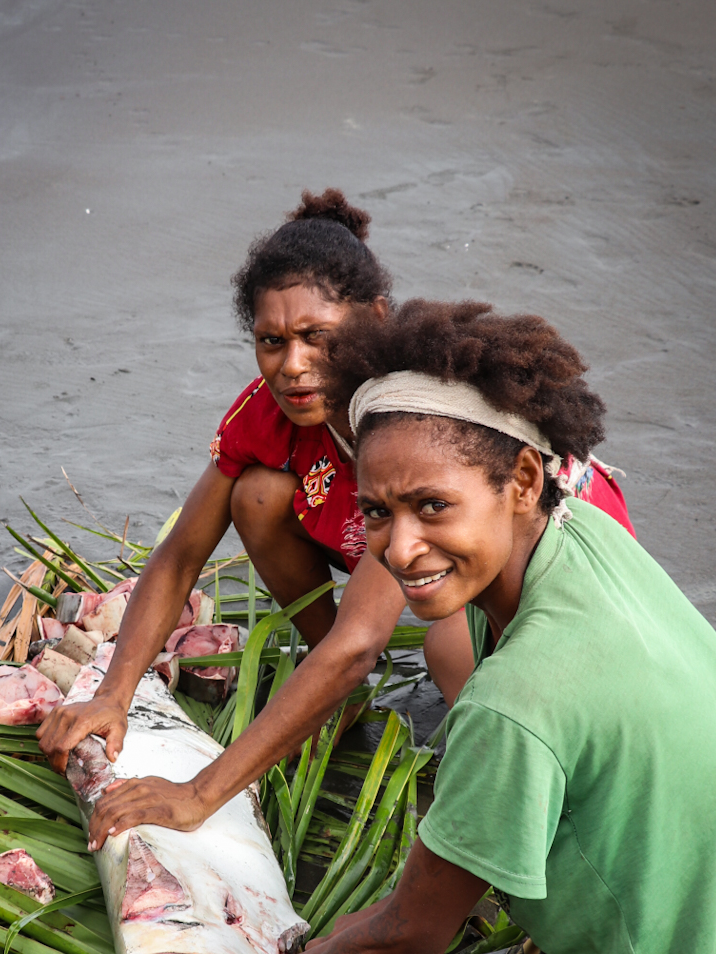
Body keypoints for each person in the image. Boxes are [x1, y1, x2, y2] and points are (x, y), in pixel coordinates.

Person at [135, 300, 716, 954]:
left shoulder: (515, 703)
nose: (401, 547)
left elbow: (409, 945)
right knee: (342, 951)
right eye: (377, 513)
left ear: (523, 480)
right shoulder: (582, 534)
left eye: (432, 506)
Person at [38, 194, 633, 847]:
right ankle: (337, 695)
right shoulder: (268, 409)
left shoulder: (404, 422)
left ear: (373, 319)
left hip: (544, 564)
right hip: (443, 546)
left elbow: (359, 644)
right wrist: (112, 695)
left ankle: (541, 810)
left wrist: (197, 795)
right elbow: (181, 555)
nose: (292, 366)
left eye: (317, 338)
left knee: (452, 651)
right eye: (272, 342)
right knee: (257, 495)